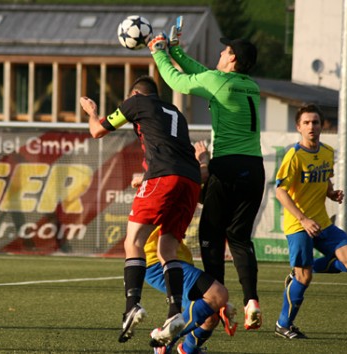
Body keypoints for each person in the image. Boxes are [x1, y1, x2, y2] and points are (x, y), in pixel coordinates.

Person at [148, 34, 265, 330]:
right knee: (239, 237)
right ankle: (252, 301)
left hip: (227, 165)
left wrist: (159, 52)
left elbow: (178, 80)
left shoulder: (218, 81)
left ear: (233, 58)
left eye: (225, 51)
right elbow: (203, 73)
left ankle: (219, 300)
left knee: (211, 236)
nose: (221, 53)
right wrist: (176, 49)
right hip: (255, 168)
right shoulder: (251, 85)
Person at [80, 75, 202, 347]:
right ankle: (174, 313)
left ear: (135, 93)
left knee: (133, 241)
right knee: (167, 249)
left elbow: (97, 131)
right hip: (191, 181)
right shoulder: (176, 112)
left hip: (164, 176)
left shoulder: (136, 102)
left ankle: (132, 305)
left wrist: (92, 112)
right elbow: (166, 147)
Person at [134, 141, 238, 354]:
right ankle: (164, 341)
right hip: (158, 260)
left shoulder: (181, 180)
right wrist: (203, 160)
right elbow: (202, 175)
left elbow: (204, 192)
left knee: (210, 317)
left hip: (176, 257)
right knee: (218, 295)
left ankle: (187, 349)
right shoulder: (168, 175)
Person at [274, 104, 347, 339]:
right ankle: (283, 324)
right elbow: (280, 191)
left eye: (316, 122)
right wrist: (302, 219)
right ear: (298, 127)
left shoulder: (327, 152)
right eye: (307, 123)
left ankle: (299, 273)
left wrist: (331, 193)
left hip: (321, 222)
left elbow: (325, 180)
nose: (312, 126)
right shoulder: (294, 155)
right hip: (298, 224)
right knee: (305, 277)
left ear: (322, 126)